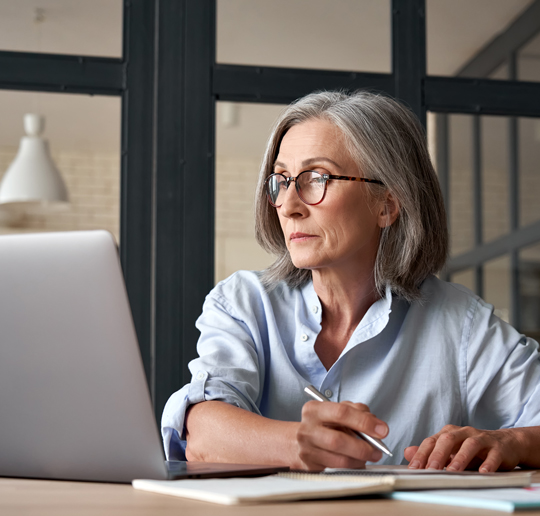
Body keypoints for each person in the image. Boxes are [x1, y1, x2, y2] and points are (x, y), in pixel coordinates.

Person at [162, 90, 540, 472]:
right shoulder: (243, 302)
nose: (289, 206)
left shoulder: (462, 325)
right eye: (281, 180)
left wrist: (511, 440)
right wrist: (297, 444)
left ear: (387, 205)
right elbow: (202, 436)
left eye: (316, 178)